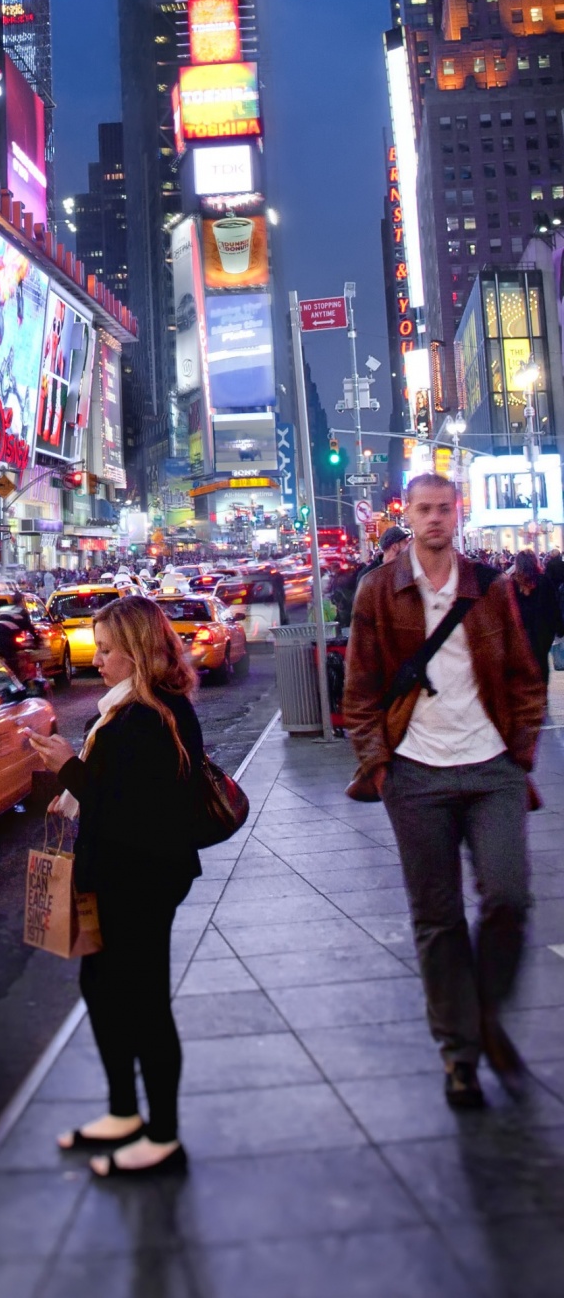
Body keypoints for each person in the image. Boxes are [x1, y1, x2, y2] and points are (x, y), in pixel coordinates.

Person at [344, 473, 545, 1110]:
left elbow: (523, 673)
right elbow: (360, 690)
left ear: (457, 514)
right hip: (416, 774)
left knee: (509, 895)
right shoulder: (379, 590)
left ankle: (485, 1013)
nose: (434, 519)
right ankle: (459, 1054)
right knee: (438, 920)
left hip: (491, 768)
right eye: (423, 509)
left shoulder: (490, 587)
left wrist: (520, 754)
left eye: (444, 509)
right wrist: (379, 765)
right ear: (407, 514)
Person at [27, 594, 207, 1180]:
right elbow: (116, 792)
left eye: (107, 650)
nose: (96, 659)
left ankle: (163, 1136)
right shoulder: (129, 710)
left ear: (135, 652)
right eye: (97, 649)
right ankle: (125, 1112)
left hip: (142, 879)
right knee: (102, 987)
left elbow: (133, 811)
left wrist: (68, 768)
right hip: (116, 874)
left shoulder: (149, 716)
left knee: (144, 1002)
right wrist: (76, 786)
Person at [330, 524, 407, 628]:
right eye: (405, 543)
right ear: (395, 547)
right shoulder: (369, 575)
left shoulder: (406, 570)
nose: (408, 547)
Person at [508, 550, 563, 686]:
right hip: (542, 634)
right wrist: (559, 628)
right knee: (541, 664)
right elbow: (553, 607)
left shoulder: (512, 584)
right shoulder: (543, 581)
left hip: (519, 634)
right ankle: (541, 696)